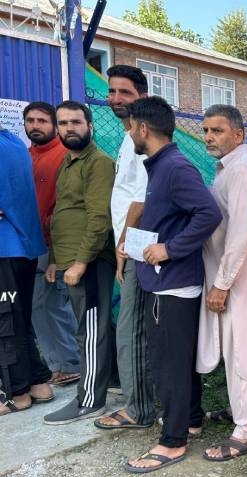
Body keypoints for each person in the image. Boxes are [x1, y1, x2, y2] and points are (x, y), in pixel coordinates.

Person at [124, 96, 221, 473]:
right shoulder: (162, 165)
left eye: (130, 127)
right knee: (178, 361)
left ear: (143, 128)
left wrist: (170, 248)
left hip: (173, 285)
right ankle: (190, 420)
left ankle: (172, 441)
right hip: (166, 282)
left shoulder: (175, 167)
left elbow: (209, 213)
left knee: (169, 366)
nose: (129, 133)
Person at [195, 105, 247, 461]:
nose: (209, 137)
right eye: (206, 130)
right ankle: (243, 416)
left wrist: (222, 283)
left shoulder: (241, 170)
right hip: (231, 271)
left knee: (244, 348)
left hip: (241, 273)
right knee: (234, 347)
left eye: (218, 130)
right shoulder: (229, 168)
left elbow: (242, 232)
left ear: (238, 135)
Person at [43, 101, 116, 425]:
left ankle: (89, 400)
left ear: (90, 126)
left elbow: (99, 218)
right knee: (96, 326)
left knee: (89, 331)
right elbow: (63, 213)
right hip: (69, 259)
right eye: (63, 123)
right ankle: (113, 380)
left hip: (90, 261)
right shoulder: (68, 162)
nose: (69, 128)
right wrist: (55, 261)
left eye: (75, 122)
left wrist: (80, 263)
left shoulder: (98, 163)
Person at [94, 65, 156, 430]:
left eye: (125, 92)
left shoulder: (142, 137)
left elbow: (142, 198)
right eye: (112, 91)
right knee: (133, 326)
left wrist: (122, 246)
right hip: (130, 244)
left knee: (131, 328)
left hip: (137, 245)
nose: (116, 99)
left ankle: (139, 408)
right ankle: (142, 401)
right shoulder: (127, 136)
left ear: (142, 97)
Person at [23, 102, 80, 387]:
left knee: (53, 304)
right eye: (31, 120)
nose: (36, 125)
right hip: (29, 243)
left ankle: (71, 363)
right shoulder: (27, 155)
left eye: (42, 121)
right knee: (37, 306)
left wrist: (57, 251)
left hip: (54, 244)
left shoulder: (64, 156)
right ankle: (58, 364)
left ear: (54, 126)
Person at [0, 125, 53, 416]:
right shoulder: (14, 142)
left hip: (5, 248)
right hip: (24, 247)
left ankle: (16, 394)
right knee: (18, 319)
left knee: (5, 323)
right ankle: (37, 383)